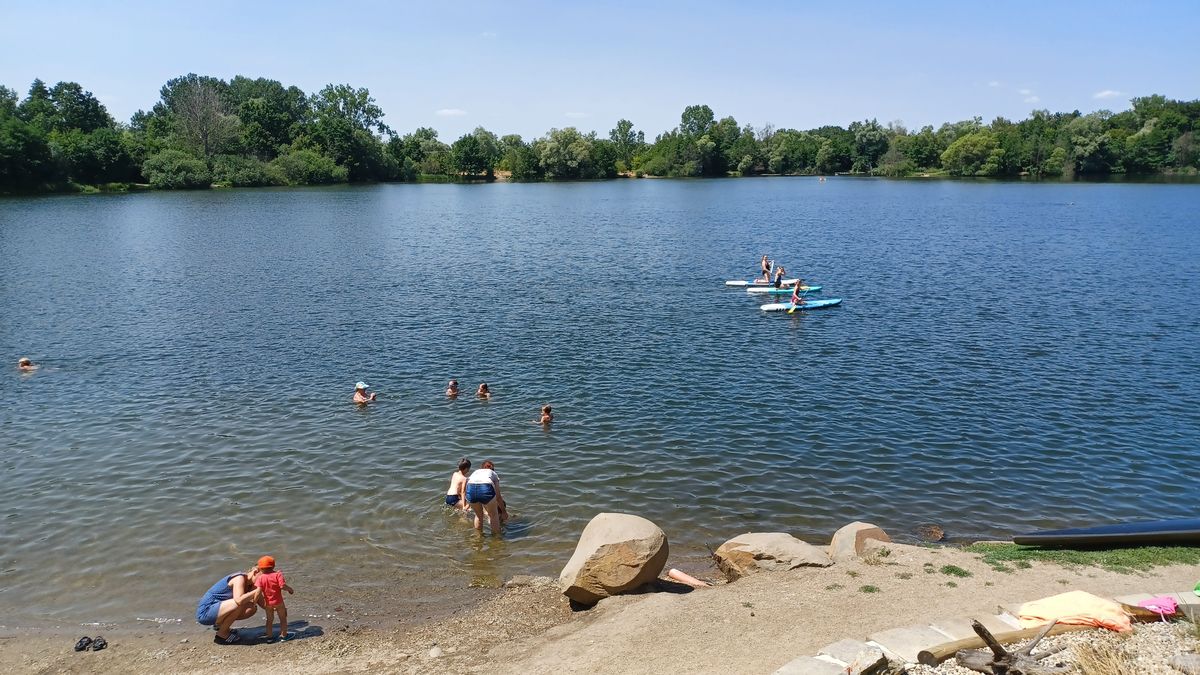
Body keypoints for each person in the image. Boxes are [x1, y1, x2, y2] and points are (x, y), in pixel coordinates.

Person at [195, 566, 264, 645]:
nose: (264, 581)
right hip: (205, 613)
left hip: (218, 610)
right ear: (255, 571)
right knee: (240, 603)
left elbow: (264, 605)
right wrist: (258, 590)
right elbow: (239, 600)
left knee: (251, 608)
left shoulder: (253, 585)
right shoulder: (239, 578)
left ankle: (221, 626)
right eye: (263, 578)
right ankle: (222, 635)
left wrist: (279, 607)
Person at [254, 555, 295, 642]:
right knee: (283, 618)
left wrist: (254, 602)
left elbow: (258, 592)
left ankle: (269, 637)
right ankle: (284, 636)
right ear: (273, 566)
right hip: (279, 602)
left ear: (260, 568)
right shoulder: (277, 574)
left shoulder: (260, 578)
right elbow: (282, 586)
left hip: (268, 603)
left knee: (269, 620)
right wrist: (290, 589)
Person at [465, 460, 505, 534]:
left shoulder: (476, 472)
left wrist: (466, 503)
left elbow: (466, 485)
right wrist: (504, 512)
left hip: (470, 489)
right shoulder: (493, 473)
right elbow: (498, 497)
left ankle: (478, 537)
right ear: (492, 469)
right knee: (493, 515)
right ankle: (496, 540)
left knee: (478, 515)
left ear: (482, 468)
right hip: (485, 487)